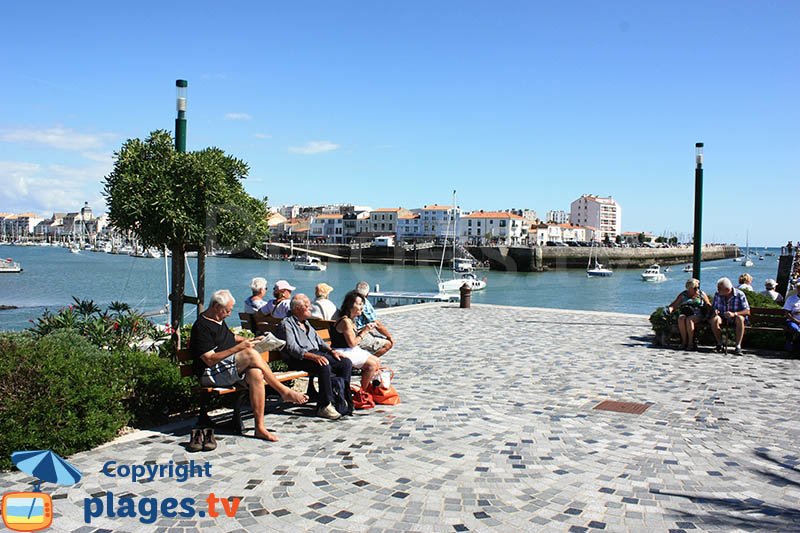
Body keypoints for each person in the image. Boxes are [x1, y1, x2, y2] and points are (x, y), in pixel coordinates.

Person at [190, 289, 308, 442]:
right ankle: (283, 391)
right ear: (216, 307)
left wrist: (251, 340)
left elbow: (229, 337)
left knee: (256, 374)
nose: (229, 314)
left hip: (226, 368)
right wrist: (239, 348)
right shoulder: (202, 326)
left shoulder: (218, 319)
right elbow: (209, 359)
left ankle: (260, 428)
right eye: (227, 310)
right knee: (250, 354)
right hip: (210, 373)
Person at [276, 294, 352, 420]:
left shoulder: (306, 323)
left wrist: (331, 351)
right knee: (324, 365)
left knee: (345, 363)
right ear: (296, 309)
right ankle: (324, 405)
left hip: (315, 354)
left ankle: (342, 397)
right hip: (299, 359)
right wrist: (312, 357)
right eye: (306, 306)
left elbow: (320, 341)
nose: (310, 307)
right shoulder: (287, 324)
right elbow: (292, 348)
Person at [330, 290, 381, 389]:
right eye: (359, 304)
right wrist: (364, 331)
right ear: (350, 305)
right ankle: (363, 392)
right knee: (371, 365)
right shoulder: (345, 321)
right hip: (342, 351)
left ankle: (368, 388)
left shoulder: (351, 320)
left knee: (377, 361)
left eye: (362, 304)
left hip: (349, 350)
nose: (362, 307)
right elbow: (352, 343)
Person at [665, 278, 711, 351]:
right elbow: (674, 304)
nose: (697, 289)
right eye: (695, 288)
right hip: (686, 312)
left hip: (697, 313)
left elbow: (708, 305)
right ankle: (684, 341)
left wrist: (709, 312)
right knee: (681, 318)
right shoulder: (683, 295)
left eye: (697, 287)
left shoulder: (701, 294)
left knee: (689, 320)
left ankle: (690, 343)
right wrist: (670, 310)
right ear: (689, 288)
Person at [709, 277, 750, 355]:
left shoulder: (740, 294)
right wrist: (715, 311)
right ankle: (719, 344)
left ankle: (738, 346)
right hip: (722, 317)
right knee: (714, 319)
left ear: (727, 290)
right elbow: (713, 307)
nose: (718, 290)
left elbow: (747, 311)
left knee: (740, 319)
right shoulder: (717, 295)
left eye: (719, 288)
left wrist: (734, 314)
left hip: (735, 317)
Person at [353, 281, 394, 357]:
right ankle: (368, 363)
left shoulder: (349, 299)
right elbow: (377, 324)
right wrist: (389, 337)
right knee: (388, 344)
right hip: (357, 335)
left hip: (347, 333)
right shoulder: (363, 303)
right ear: (367, 294)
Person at [784, 284, 800, 351]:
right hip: (793, 321)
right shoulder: (791, 299)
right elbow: (787, 313)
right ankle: (793, 346)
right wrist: (796, 321)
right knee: (796, 330)